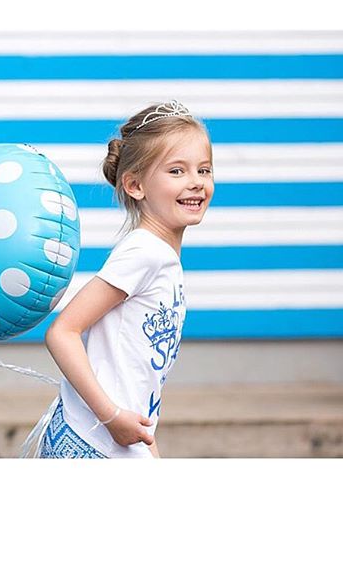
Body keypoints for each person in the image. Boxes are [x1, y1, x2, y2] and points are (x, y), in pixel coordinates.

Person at [32, 100, 215, 458]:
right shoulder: (144, 252)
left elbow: (139, 376)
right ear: (135, 185)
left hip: (116, 439)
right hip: (92, 442)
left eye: (204, 170)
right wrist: (111, 417)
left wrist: (148, 445)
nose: (195, 182)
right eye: (177, 171)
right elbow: (62, 332)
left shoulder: (161, 257)